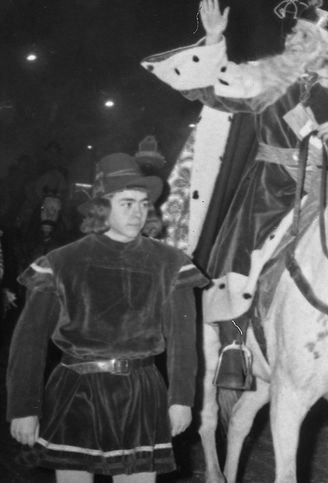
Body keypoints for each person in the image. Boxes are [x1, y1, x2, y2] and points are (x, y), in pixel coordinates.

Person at [141, 0, 328, 376]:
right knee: (240, 258)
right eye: (294, 33)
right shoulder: (264, 76)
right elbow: (211, 91)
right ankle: (235, 344)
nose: (293, 40)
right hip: (267, 190)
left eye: (305, 36)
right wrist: (212, 40)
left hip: (327, 192)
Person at [6, 154, 208, 480]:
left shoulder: (171, 263)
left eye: (143, 204)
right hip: (75, 390)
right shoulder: (60, 263)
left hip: (141, 393)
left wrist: (181, 399)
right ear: (102, 208)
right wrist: (23, 408)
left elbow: (184, 341)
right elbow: (28, 342)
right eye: (126, 203)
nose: (137, 213)